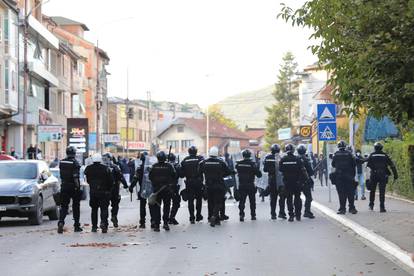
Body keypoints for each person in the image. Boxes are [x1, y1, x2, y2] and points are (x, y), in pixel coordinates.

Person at [199, 146, 233, 227]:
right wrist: (221, 174)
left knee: (210, 202)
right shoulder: (221, 162)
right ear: (217, 153)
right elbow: (228, 172)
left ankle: (211, 217)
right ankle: (215, 217)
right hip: (219, 185)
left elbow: (199, 172)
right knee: (218, 202)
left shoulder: (203, 162)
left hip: (208, 185)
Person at [84, 153, 114, 233]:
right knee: (104, 209)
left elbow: (87, 180)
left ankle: (94, 227)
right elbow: (111, 181)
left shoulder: (88, 168)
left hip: (93, 192)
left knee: (94, 209)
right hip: (104, 192)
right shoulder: (106, 168)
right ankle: (104, 223)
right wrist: (109, 190)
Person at [149, 151, 177, 232]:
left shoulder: (154, 166)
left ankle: (157, 225)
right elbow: (175, 176)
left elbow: (150, 177)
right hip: (167, 190)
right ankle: (165, 223)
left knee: (157, 207)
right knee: (166, 206)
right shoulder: (169, 166)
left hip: (157, 190)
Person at [279, 144, 309, 222]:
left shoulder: (283, 159)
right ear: (293, 150)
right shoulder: (298, 159)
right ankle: (298, 215)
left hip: (287, 182)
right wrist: (306, 179)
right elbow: (303, 170)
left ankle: (291, 215)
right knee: (297, 198)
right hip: (297, 182)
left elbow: (280, 170)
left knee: (289, 199)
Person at [367, 142, 398, 212]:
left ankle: (371, 205)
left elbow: (368, 166)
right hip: (383, 175)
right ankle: (382, 207)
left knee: (372, 190)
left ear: (374, 148)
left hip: (374, 175)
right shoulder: (385, 155)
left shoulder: (372, 155)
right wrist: (395, 175)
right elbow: (392, 165)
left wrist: (368, 177)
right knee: (382, 191)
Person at [57, 146, 82, 234]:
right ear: (74, 153)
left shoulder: (62, 162)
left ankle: (61, 222)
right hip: (73, 187)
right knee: (76, 206)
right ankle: (76, 226)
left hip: (64, 185)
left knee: (64, 206)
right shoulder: (75, 163)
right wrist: (78, 187)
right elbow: (75, 177)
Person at [102, 153, 128, 228]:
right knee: (115, 205)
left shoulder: (101, 167)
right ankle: (114, 216)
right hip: (114, 189)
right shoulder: (115, 167)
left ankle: (104, 222)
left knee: (104, 207)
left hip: (104, 190)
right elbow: (121, 177)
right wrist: (126, 186)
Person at [180, 146, 205, 224]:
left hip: (189, 182)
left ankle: (191, 217)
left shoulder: (185, 160)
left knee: (190, 200)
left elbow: (181, 174)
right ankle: (198, 216)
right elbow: (204, 169)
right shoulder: (200, 159)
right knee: (199, 199)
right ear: (196, 151)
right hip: (198, 182)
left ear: (189, 152)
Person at [235, 149, 262, 221]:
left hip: (242, 185)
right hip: (250, 185)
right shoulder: (252, 164)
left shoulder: (238, 164)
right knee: (252, 201)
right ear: (250, 155)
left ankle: (241, 215)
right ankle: (253, 215)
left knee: (242, 201)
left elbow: (236, 171)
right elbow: (259, 175)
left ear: (243, 155)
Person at [332, 140, 357, 215]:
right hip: (349, 177)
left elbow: (333, 165)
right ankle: (352, 208)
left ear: (338, 146)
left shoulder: (336, 154)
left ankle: (342, 209)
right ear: (345, 146)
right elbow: (354, 164)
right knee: (350, 193)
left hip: (339, 177)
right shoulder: (350, 154)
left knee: (341, 193)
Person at [263, 144, 286, 220]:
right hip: (281, 180)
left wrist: (271, 170)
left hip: (272, 180)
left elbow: (265, 170)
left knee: (273, 198)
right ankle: (281, 213)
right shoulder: (282, 157)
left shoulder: (267, 158)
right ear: (279, 150)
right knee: (282, 197)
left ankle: (273, 214)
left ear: (271, 150)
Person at [129, 152, 150, 228]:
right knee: (152, 206)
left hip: (143, 189)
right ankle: (154, 222)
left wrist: (131, 187)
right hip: (150, 189)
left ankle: (142, 222)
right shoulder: (151, 167)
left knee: (142, 206)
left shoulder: (139, 168)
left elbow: (135, 179)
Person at [297, 145, 315, 219]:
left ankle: (297, 213)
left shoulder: (296, 159)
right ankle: (307, 211)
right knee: (309, 197)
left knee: (297, 197)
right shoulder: (306, 159)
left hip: (296, 181)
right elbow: (310, 172)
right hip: (305, 181)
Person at [168, 153, 181, 225]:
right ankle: (171, 217)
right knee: (176, 203)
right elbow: (180, 175)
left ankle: (168, 218)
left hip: (165, 187)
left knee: (167, 203)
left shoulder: (165, 165)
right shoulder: (176, 165)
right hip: (174, 187)